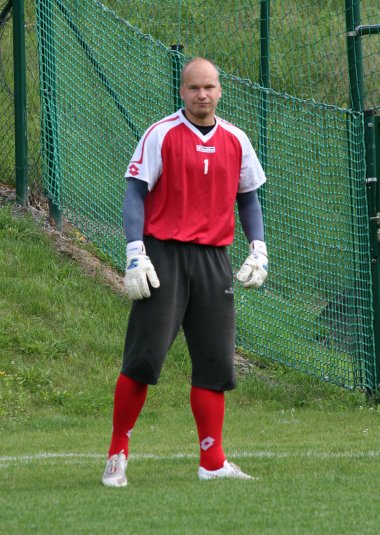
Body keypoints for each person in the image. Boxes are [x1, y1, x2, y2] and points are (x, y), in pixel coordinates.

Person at [102, 57, 268, 487]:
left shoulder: (236, 139)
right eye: (194, 88)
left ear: (220, 90)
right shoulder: (161, 134)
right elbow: (135, 194)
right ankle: (117, 454)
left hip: (214, 260)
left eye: (209, 87)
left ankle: (212, 463)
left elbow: (248, 197)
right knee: (143, 359)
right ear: (182, 91)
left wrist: (258, 248)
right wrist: (135, 251)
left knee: (215, 363)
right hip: (165, 256)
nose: (202, 95)